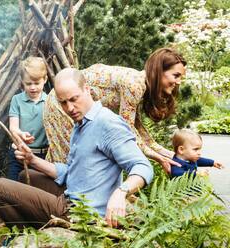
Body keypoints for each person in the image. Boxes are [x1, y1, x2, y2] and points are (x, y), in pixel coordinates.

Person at [0, 68, 154, 229]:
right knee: (24, 175)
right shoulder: (81, 123)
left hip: (80, 213)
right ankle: (35, 229)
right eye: (63, 102)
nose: (70, 108)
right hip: (74, 193)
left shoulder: (107, 123)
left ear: (87, 90)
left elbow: (143, 167)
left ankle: (28, 234)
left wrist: (121, 192)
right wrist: (32, 159)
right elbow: (73, 173)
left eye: (74, 99)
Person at [44, 47, 186, 174]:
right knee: (70, 160)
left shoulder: (140, 84)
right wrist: (158, 157)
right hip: (61, 102)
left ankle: (42, 190)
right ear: (159, 71)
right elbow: (127, 131)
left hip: (71, 103)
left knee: (66, 158)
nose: (178, 82)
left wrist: (169, 155)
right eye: (176, 75)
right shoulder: (134, 85)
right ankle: (65, 201)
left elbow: (138, 129)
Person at [7, 57, 49, 181]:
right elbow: (13, 127)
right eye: (28, 83)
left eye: (37, 83)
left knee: (35, 192)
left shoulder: (49, 102)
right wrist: (20, 134)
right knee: (14, 188)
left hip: (42, 156)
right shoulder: (17, 100)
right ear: (22, 82)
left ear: (45, 79)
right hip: (19, 153)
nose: (33, 87)